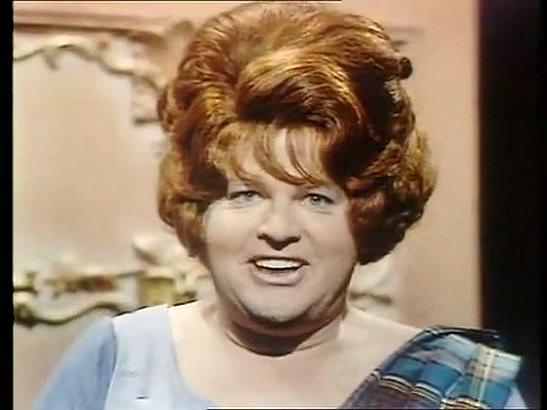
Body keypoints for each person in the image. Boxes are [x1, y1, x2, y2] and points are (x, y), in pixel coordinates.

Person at [35, 2, 526, 409]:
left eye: (315, 197)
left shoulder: (460, 387)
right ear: (200, 211)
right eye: (246, 194)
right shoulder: (117, 360)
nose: (278, 228)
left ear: (367, 214)